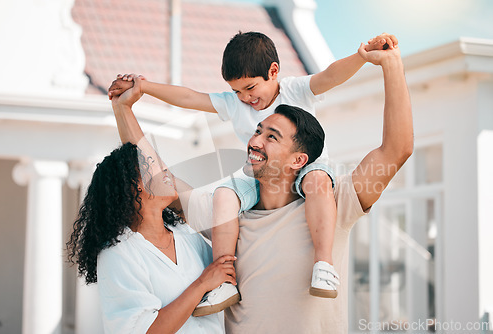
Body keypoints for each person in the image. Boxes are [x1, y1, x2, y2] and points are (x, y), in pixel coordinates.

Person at [109, 34, 412, 333]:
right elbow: (153, 177)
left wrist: (390, 64)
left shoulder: (334, 203)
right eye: (257, 130)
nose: (254, 140)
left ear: (299, 159)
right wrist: (124, 107)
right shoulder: (227, 214)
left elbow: (396, 150)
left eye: (272, 136)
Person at [66, 140, 237, 333]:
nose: (166, 170)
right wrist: (202, 284)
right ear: (135, 184)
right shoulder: (118, 253)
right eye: (154, 165)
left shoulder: (186, 236)